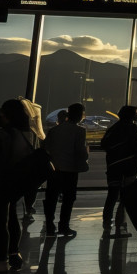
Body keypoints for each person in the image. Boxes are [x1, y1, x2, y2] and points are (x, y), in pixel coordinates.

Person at [0, 99, 43, 272]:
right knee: (11, 218)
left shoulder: (1, 134)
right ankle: (13, 253)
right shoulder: (29, 133)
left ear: (5, 114)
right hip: (18, 182)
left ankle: (1, 260)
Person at [43, 102, 90, 238]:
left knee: (51, 198)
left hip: (54, 168)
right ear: (81, 115)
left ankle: (49, 226)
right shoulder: (79, 131)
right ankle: (63, 226)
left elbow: (46, 147)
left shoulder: (55, 130)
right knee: (68, 199)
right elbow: (80, 151)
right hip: (70, 169)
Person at [100, 105, 137, 238]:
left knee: (112, 195)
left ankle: (107, 222)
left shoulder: (114, 128)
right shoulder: (134, 129)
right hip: (128, 167)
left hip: (113, 166)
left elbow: (104, 145)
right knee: (124, 197)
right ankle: (120, 225)